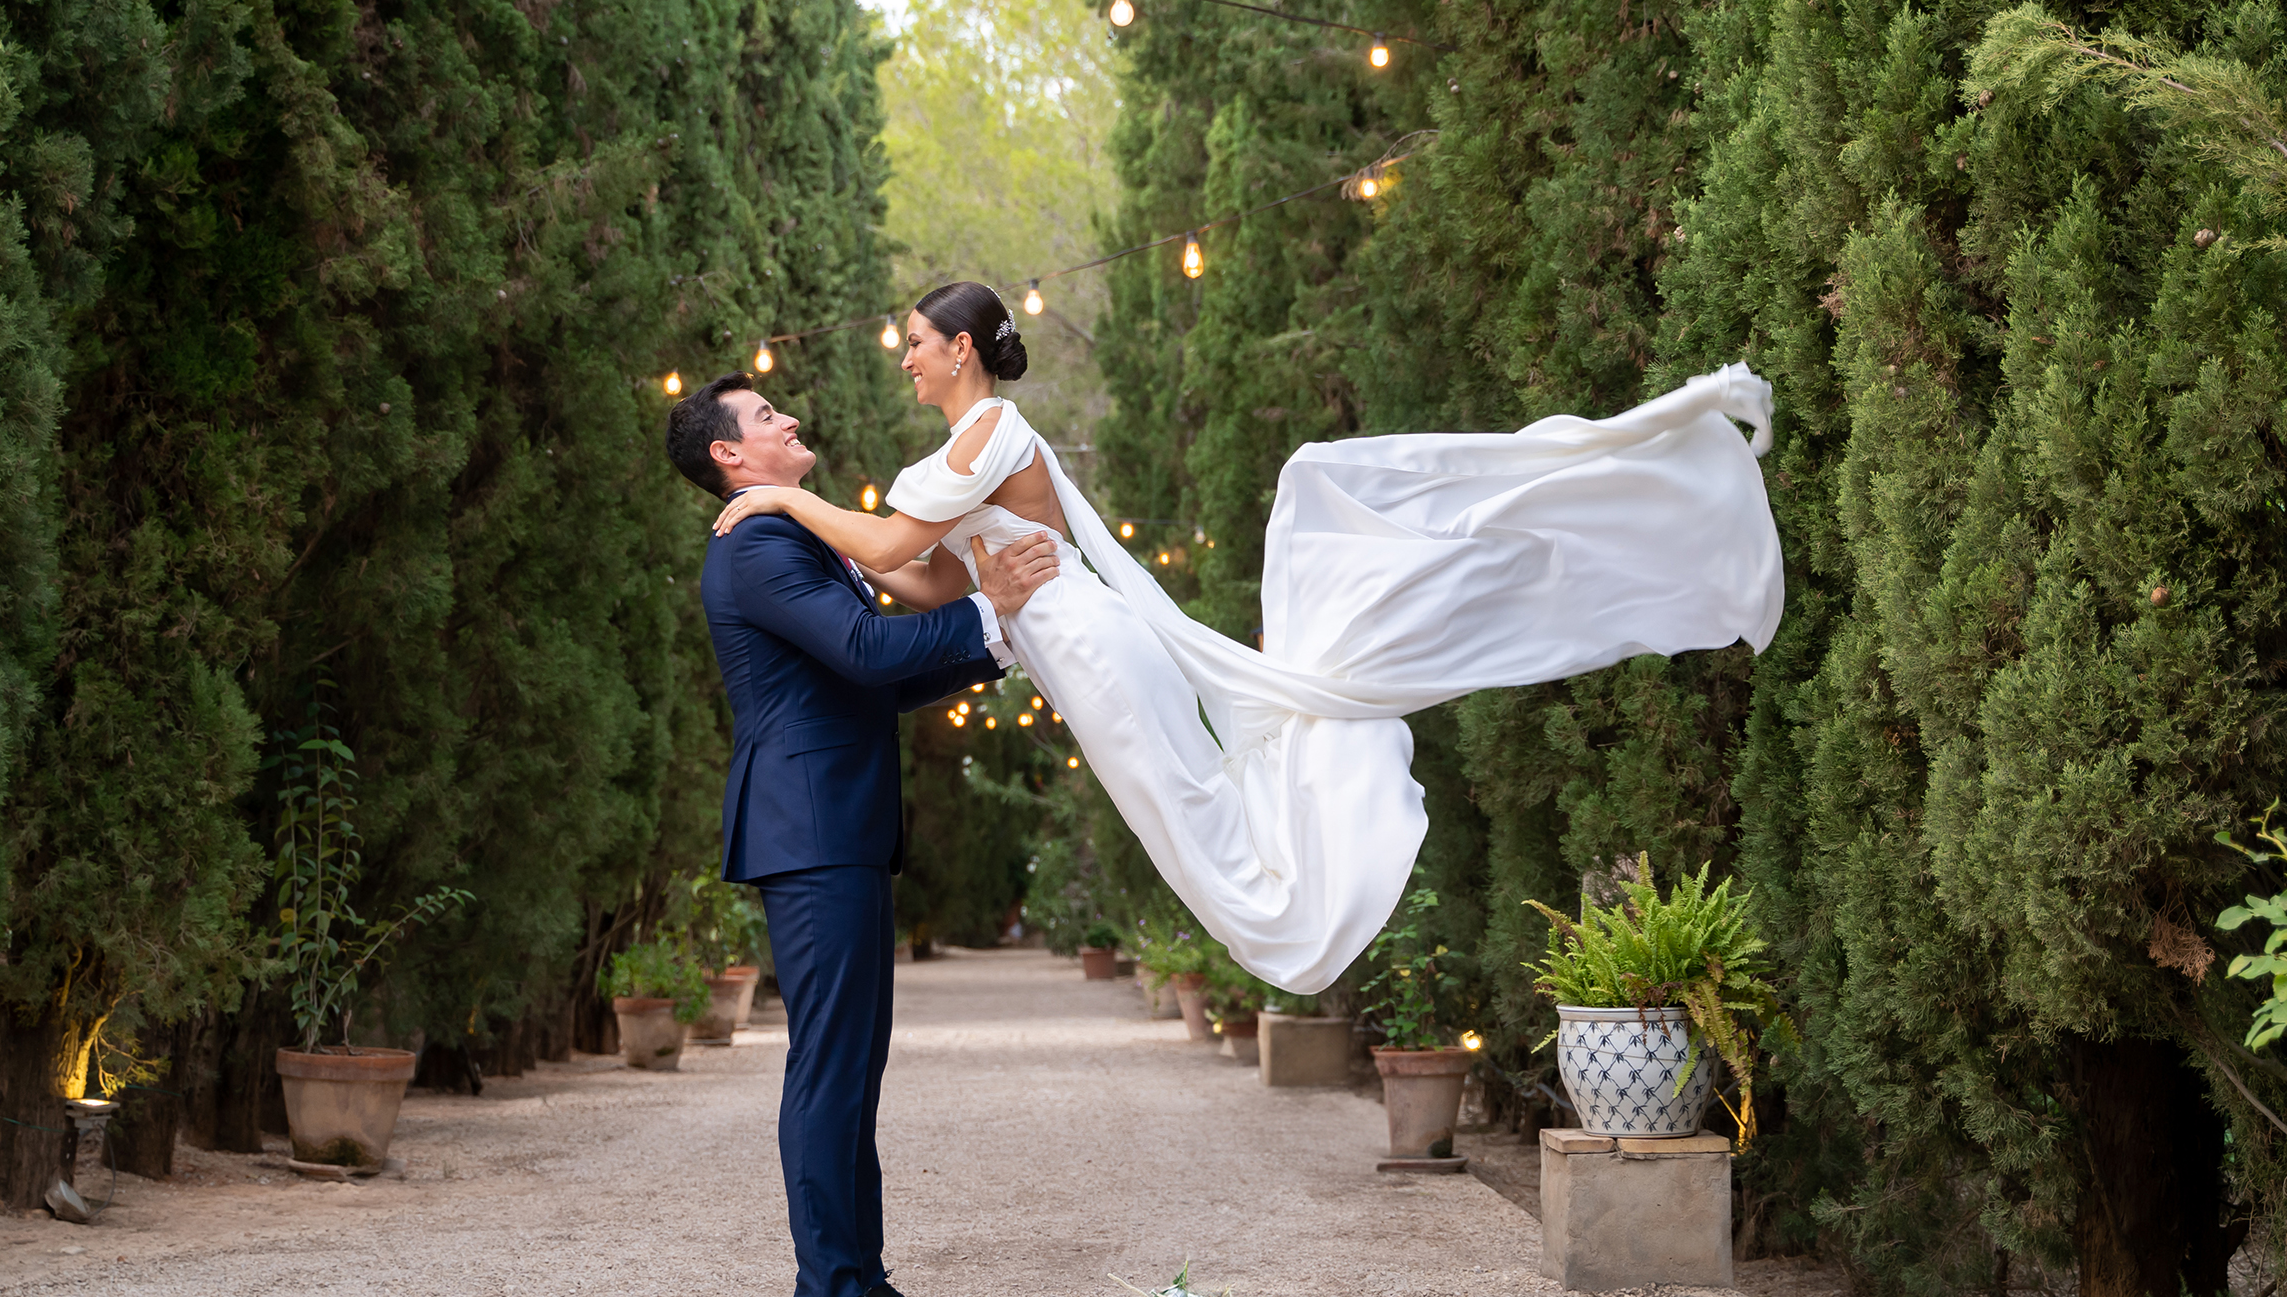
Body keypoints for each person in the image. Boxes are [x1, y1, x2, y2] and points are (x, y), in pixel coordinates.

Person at [711, 282, 1785, 995]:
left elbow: (895, 537)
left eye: (912, 344)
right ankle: (1305, 873)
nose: (903, 361)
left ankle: (1320, 881)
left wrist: (781, 507)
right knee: (1197, 819)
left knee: (1202, 822)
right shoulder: (965, 445)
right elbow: (929, 571)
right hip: (1065, 644)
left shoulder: (986, 430)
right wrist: (850, 552)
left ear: (959, 349)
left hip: (1085, 643)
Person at [667, 371, 1060, 1297]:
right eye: (763, 416)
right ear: (728, 455)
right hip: (807, 828)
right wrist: (982, 612)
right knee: (829, 1065)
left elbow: (866, 676)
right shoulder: (755, 540)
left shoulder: (795, 537)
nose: (789, 416)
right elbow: (861, 646)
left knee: (854, 1063)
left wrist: (996, 633)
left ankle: (861, 1277)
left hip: (834, 825)